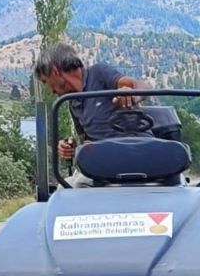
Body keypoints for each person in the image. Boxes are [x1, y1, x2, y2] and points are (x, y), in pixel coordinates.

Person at [33, 43, 144, 186]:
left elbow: (139, 86)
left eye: (45, 81)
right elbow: (86, 141)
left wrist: (131, 93)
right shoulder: (72, 102)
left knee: (75, 187)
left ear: (54, 72)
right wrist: (71, 149)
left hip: (133, 150)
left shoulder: (98, 74)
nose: (50, 90)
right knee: (64, 187)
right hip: (103, 162)